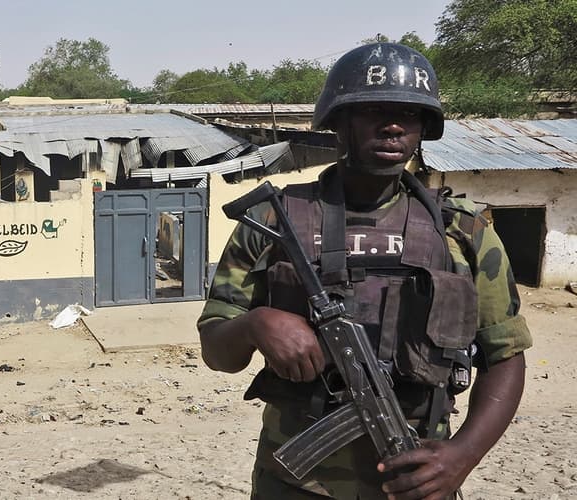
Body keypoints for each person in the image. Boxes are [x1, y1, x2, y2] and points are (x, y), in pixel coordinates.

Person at [197, 42, 532, 500]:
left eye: (409, 114)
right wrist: (256, 324)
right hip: (295, 484)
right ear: (338, 123)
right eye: (373, 110)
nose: (393, 126)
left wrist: (462, 455)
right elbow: (217, 351)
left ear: (423, 129)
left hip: (414, 479)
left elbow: (505, 355)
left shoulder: (462, 231)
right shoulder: (274, 220)